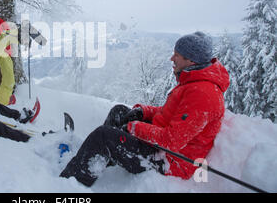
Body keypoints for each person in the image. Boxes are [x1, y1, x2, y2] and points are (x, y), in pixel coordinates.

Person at [60, 31, 230, 187]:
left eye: (177, 55)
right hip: (163, 147)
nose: (172, 59)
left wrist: (133, 127)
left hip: (170, 161)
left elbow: (171, 141)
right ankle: (102, 158)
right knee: (119, 112)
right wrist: (143, 112)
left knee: (103, 136)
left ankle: (70, 183)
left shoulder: (202, 94)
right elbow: (168, 113)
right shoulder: (194, 84)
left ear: (191, 60)